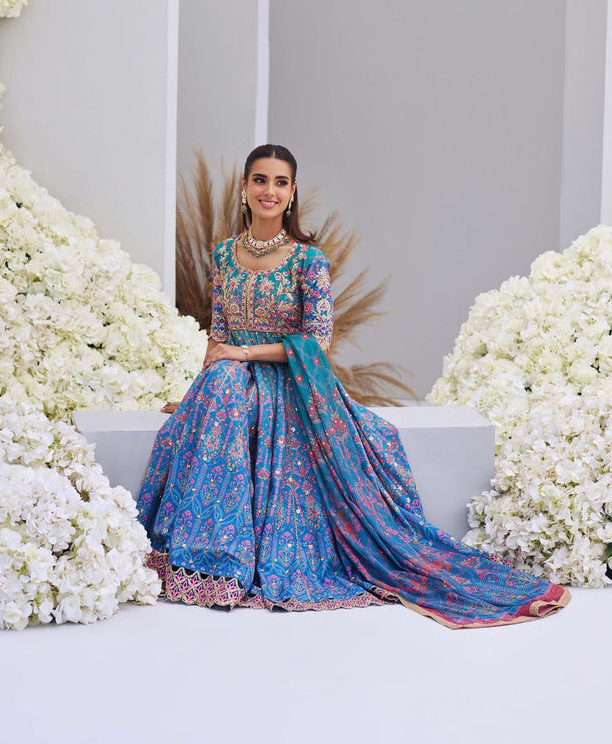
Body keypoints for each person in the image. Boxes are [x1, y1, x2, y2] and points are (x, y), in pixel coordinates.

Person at [137, 143, 570, 627]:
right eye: (260, 180)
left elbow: (316, 343)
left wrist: (245, 353)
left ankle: (224, 563)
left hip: (290, 384)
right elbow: (218, 334)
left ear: (292, 192)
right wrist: (199, 391)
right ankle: (209, 560)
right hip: (229, 381)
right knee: (218, 387)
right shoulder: (223, 255)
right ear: (245, 187)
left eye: (281, 183)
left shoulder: (307, 260)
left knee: (229, 381)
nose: (270, 191)